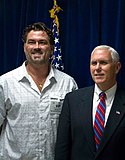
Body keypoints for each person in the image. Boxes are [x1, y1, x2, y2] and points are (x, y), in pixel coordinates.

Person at [0, 22, 78, 159]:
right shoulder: (5, 83)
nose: (37, 47)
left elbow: (75, 132)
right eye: (31, 42)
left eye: (42, 42)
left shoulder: (68, 84)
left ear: (52, 48)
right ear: (25, 47)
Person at [55, 45, 125, 160]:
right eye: (94, 63)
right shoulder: (72, 101)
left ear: (117, 67)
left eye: (103, 63)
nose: (97, 68)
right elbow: (62, 148)